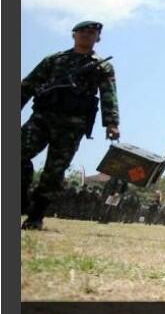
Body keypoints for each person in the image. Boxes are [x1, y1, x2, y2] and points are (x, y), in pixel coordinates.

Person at [21, 20, 120, 230]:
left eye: (92, 32)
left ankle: (35, 216)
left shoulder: (102, 66)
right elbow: (27, 85)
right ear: (73, 35)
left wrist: (111, 124)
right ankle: (21, 198)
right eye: (82, 31)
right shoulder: (54, 60)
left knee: (54, 171)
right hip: (42, 117)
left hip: (72, 125)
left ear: (97, 38)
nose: (86, 35)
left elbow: (108, 95)